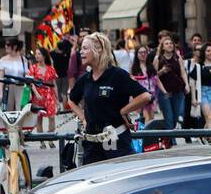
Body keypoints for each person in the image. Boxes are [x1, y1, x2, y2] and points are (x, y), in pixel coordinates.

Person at [68, 32, 151, 163]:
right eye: (80, 49)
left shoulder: (117, 75)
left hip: (116, 141)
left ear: (99, 49)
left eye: (85, 48)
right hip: (92, 145)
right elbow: (71, 100)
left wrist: (124, 111)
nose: (81, 52)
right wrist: (83, 118)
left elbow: (145, 96)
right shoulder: (85, 79)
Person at [153, 32, 189, 129]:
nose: (169, 45)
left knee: (178, 115)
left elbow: (183, 72)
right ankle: (171, 140)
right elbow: (154, 77)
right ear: (163, 47)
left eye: (171, 43)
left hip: (178, 90)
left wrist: (187, 85)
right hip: (164, 92)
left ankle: (172, 135)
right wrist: (162, 71)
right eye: (167, 44)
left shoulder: (177, 57)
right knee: (169, 117)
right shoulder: (158, 59)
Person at [28, 45, 59, 144]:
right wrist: (36, 94)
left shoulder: (51, 68)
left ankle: (50, 139)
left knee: (52, 117)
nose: (37, 56)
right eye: (36, 54)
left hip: (49, 95)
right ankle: (41, 141)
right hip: (38, 95)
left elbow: (54, 84)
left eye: (39, 54)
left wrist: (57, 99)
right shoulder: (33, 68)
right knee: (39, 118)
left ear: (44, 56)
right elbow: (31, 82)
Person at [0, 39, 28, 112]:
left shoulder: (23, 60)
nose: (6, 47)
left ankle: (20, 124)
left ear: (15, 46)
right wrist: (0, 91)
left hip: (21, 86)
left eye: (8, 45)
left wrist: (28, 92)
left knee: (21, 110)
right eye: (6, 45)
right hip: (8, 87)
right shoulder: (3, 60)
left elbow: (27, 76)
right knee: (8, 110)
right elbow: (0, 78)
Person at [130, 45, 159, 123]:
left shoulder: (150, 66)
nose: (143, 54)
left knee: (151, 118)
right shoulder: (134, 68)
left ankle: (148, 134)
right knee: (146, 117)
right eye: (141, 52)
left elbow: (156, 80)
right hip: (140, 96)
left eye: (145, 52)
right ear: (137, 54)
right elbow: (130, 82)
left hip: (151, 95)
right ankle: (146, 134)